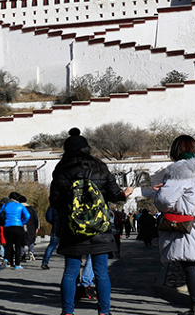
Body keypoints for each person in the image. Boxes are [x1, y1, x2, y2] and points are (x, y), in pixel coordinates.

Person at [50, 127, 133, 315]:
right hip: (99, 228)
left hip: (72, 229)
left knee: (70, 272)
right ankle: (104, 311)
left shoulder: (61, 169)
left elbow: (54, 201)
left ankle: (68, 312)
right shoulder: (100, 166)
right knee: (101, 272)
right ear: (87, 148)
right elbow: (114, 195)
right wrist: (125, 194)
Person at [154, 135, 195, 315]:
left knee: (190, 266)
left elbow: (164, 200)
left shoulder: (181, 170)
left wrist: (162, 191)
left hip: (189, 226)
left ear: (176, 151)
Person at [0, 192, 30, 270]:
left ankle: (6, 259)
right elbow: (27, 216)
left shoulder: (5, 205)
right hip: (18, 227)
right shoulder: (20, 206)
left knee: (9, 245)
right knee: (18, 246)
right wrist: (22, 222)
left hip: (7, 227)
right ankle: (17, 264)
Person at [20, 195, 40, 262]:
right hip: (31, 227)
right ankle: (31, 252)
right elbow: (36, 218)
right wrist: (37, 227)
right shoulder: (31, 209)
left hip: (21, 226)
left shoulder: (19, 208)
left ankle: (22, 255)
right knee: (31, 240)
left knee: (21, 242)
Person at [41, 205, 60, 270]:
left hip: (55, 227)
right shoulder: (69, 203)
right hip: (67, 228)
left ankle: (45, 262)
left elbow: (48, 217)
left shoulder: (53, 205)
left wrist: (54, 222)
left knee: (51, 246)